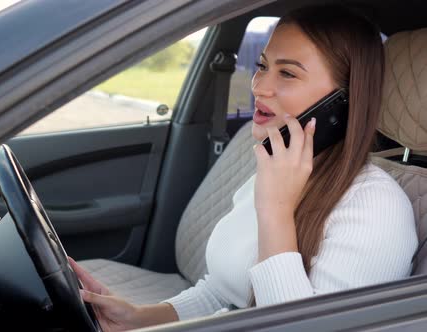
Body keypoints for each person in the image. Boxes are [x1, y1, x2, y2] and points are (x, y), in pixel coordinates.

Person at [68, 4, 419, 331]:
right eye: (264, 66)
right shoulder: (276, 168)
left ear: (343, 101)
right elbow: (221, 294)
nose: (259, 86)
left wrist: (276, 212)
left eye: (288, 74)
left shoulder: (375, 208)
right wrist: (138, 317)